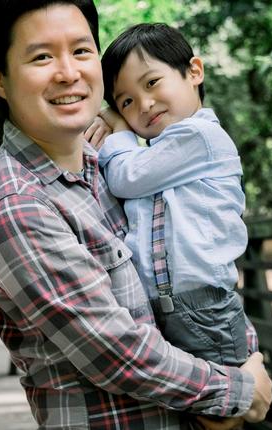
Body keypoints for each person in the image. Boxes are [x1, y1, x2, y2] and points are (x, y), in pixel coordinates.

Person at [0, 1, 272, 429]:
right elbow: (114, 352)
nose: (68, 72)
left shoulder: (103, 163)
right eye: (42, 57)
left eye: (80, 51)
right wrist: (238, 389)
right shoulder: (17, 204)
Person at [87, 22, 257, 368]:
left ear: (194, 71)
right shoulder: (158, 154)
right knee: (188, 407)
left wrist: (118, 127)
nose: (145, 105)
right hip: (164, 309)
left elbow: (125, 177)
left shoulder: (200, 138)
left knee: (221, 408)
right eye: (126, 102)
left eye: (152, 83)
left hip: (203, 310)